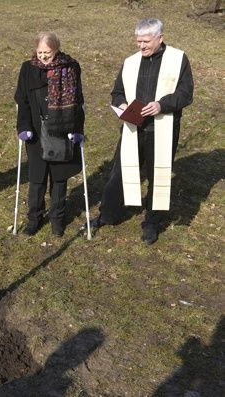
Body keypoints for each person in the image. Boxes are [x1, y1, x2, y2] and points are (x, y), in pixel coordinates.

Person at [91, 18, 193, 245]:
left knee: (158, 176)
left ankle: (151, 223)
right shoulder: (130, 62)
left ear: (160, 38)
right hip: (133, 127)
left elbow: (186, 93)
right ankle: (108, 214)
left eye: (146, 41)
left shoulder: (178, 59)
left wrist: (161, 105)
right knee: (120, 172)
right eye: (138, 41)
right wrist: (122, 105)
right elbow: (116, 92)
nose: (141, 46)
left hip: (162, 128)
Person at [14, 31, 85, 237]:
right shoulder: (28, 69)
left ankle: (57, 219)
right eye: (40, 52)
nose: (43, 56)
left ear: (56, 49)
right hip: (35, 132)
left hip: (62, 129)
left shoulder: (70, 67)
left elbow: (78, 100)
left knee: (59, 177)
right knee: (37, 178)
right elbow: (22, 100)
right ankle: (34, 219)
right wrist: (23, 127)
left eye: (48, 52)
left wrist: (76, 129)